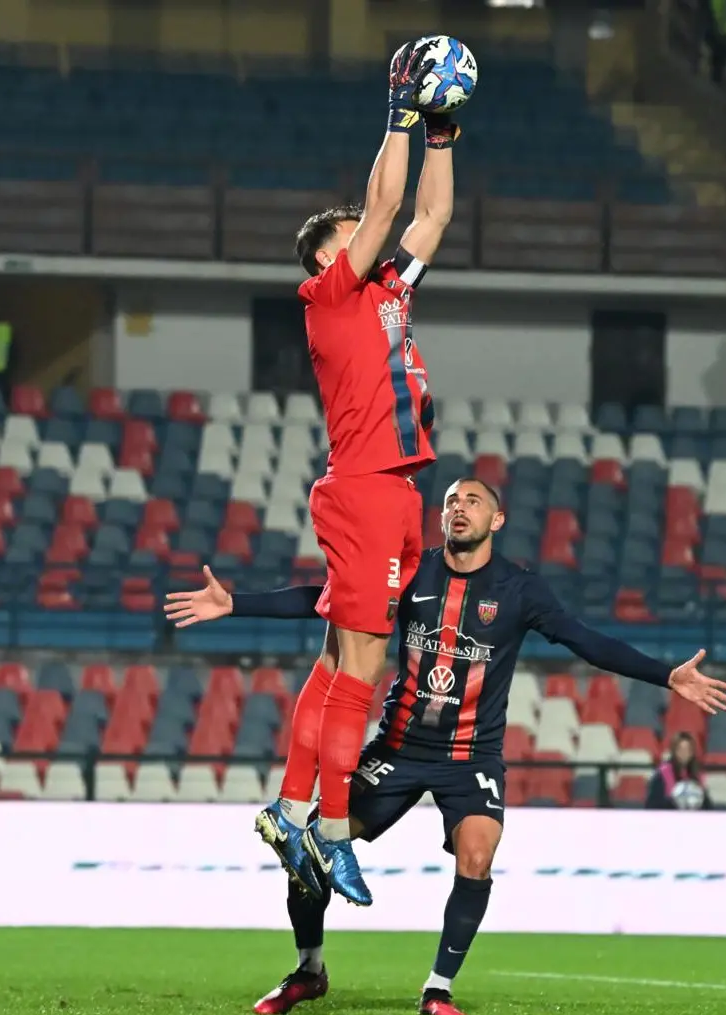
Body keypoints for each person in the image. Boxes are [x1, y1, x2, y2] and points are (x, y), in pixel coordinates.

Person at [165, 478, 726, 1015]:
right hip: (399, 746)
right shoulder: (412, 570)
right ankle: (308, 970)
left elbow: (586, 640)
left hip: (472, 756)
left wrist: (668, 677)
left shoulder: (520, 588)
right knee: (310, 848)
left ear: (497, 518)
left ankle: (437, 988)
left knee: (478, 856)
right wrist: (235, 603)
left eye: (473, 501)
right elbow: (333, 599)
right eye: (451, 500)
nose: (459, 508)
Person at [246, 39, 460, 909]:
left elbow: (430, 219)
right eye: (348, 237)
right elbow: (383, 207)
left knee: (340, 662)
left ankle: (294, 807)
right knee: (364, 668)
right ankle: (333, 830)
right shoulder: (332, 295)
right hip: (369, 488)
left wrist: (442, 135)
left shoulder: (387, 295)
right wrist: (402, 114)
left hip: (392, 488)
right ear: (328, 259)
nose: (363, 235)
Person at [644, 732, 711, 810]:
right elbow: (652, 805)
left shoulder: (697, 775)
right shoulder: (661, 774)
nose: (684, 753)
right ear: (674, 751)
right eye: (680, 749)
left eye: (688, 749)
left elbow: (707, 806)